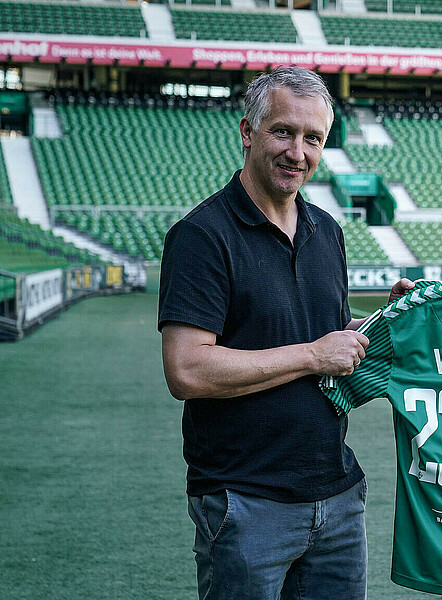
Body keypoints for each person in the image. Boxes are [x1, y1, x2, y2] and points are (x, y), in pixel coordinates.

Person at [158, 65, 416, 600]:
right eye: (283, 132)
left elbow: (327, 338)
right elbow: (187, 369)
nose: (298, 151)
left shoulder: (328, 230)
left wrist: (384, 325)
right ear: (248, 132)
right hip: (245, 500)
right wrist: (314, 356)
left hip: (337, 494)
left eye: (313, 138)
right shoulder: (201, 236)